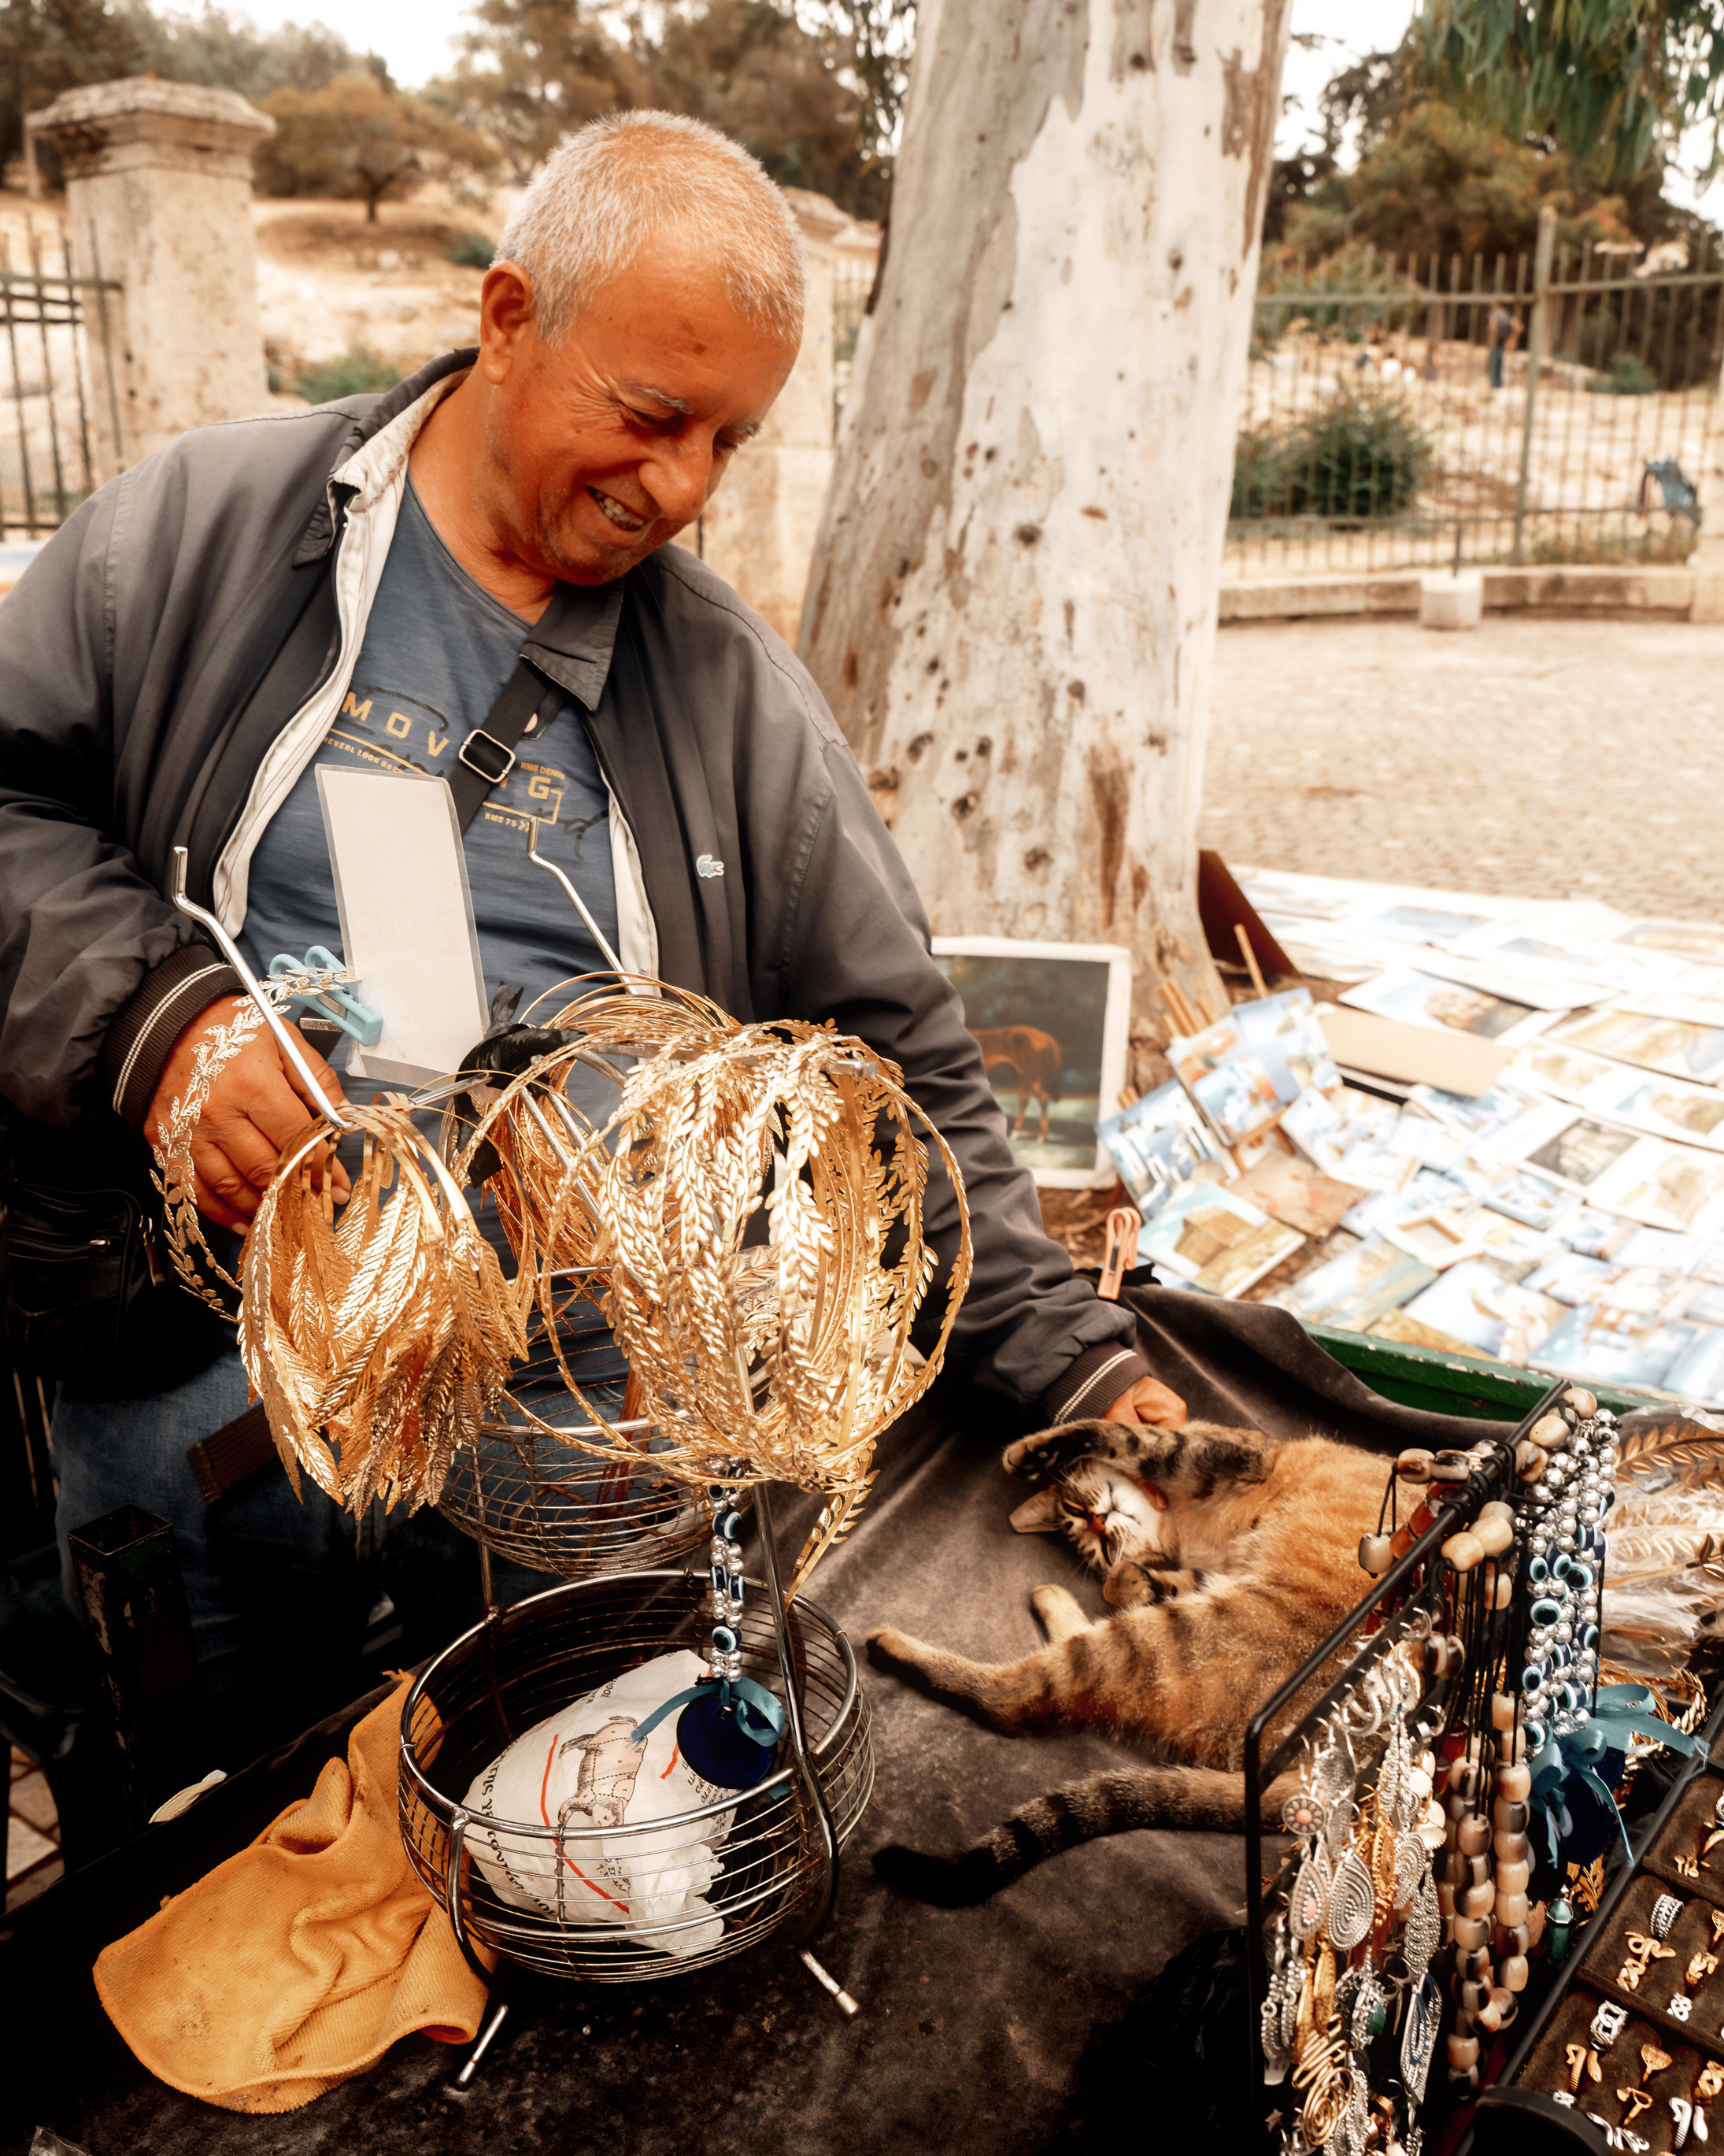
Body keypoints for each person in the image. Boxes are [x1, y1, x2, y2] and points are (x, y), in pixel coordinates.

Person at [0, 114, 1182, 1769]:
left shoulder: (727, 690)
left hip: (568, 1415)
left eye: (730, 440)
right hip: (203, 1371)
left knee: (556, 1796)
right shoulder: (192, 537)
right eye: (649, 413)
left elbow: (896, 1056)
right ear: (506, 319)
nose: (682, 487)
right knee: (208, 1817)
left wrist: (1070, 1356)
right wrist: (158, 1027)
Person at [1487, 302, 1522, 390]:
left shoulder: (1495, 314)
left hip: (1496, 343)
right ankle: (1498, 386)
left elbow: (1492, 327)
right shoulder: (1508, 316)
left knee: (1492, 366)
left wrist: (1492, 339)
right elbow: (1519, 327)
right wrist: (1512, 338)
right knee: (1500, 366)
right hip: (1503, 343)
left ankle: (1494, 386)